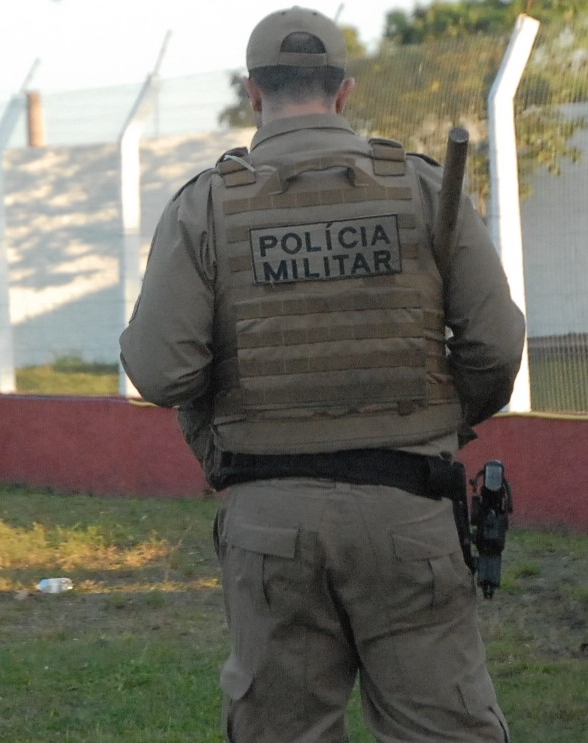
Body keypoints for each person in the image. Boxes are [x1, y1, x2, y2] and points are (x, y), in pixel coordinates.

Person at [120, 7, 524, 742]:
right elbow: (495, 348)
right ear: (343, 92)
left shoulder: (206, 205)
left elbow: (159, 370)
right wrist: (435, 417)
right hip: (410, 507)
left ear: (252, 93)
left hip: (268, 520)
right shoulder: (422, 189)